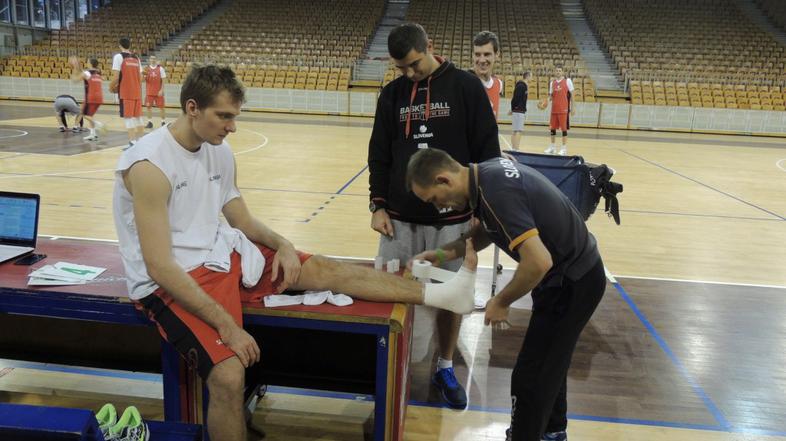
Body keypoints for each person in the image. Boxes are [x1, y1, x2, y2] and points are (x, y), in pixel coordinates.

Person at [113, 65, 479, 441]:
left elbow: (240, 218)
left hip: (219, 255)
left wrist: (284, 245)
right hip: (171, 280)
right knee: (228, 374)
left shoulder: (218, 152)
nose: (232, 127)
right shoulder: (149, 166)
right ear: (192, 108)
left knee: (319, 267)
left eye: (235, 117)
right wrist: (227, 324)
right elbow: (159, 266)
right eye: (224, 116)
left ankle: (440, 294)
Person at [405, 148, 606, 441]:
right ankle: (552, 432)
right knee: (550, 365)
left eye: (434, 199)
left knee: (529, 378)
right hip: (571, 276)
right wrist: (440, 253)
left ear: (443, 179)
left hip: (572, 282)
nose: (439, 208)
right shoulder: (486, 176)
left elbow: (538, 261)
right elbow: (489, 229)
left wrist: (501, 301)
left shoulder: (496, 191)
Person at [367, 22, 500, 409]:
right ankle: (390, 366)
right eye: (401, 68)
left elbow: (487, 152)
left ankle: (444, 367)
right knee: (389, 292)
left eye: (413, 64)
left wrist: (481, 210)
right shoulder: (392, 95)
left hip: (452, 221)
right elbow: (379, 152)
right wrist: (377, 205)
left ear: (430, 46)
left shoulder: (465, 86)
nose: (409, 74)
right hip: (398, 219)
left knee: (449, 296)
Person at [109, 37, 144, 149]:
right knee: (138, 117)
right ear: (129, 45)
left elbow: (116, 77)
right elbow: (141, 77)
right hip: (137, 91)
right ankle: (141, 142)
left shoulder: (118, 57)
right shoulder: (136, 57)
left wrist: (111, 87)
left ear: (120, 45)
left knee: (128, 117)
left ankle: (133, 143)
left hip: (126, 91)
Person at [69, 56, 105, 142]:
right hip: (100, 97)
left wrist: (74, 68)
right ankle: (93, 134)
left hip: (91, 97)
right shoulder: (98, 73)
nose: (87, 62)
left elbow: (74, 80)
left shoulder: (87, 73)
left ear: (90, 63)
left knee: (83, 114)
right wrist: (78, 68)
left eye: (88, 61)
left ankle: (99, 124)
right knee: (90, 115)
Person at [471, 31, 503, 121]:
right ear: (472, 55)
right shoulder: (463, 84)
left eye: (487, 54)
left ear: (497, 55)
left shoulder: (498, 84)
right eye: (477, 54)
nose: (482, 60)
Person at [544, 65, 575, 156]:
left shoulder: (567, 81)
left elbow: (573, 95)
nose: (558, 72)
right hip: (554, 109)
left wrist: (573, 107)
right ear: (554, 72)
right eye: (556, 70)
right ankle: (552, 147)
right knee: (552, 129)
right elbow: (550, 96)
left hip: (564, 109)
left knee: (564, 130)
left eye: (560, 70)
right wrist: (545, 102)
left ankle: (564, 148)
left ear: (562, 72)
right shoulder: (552, 83)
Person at [143, 55, 167, 128]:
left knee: (162, 107)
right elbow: (143, 80)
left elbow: (163, 80)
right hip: (149, 92)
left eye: (154, 58)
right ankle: (150, 122)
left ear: (156, 60)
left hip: (158, 92)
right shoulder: (146, 69)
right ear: (149, 60)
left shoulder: (160, 69)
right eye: (151, 58)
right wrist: (143, 74)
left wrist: (162, 90)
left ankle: (163, 122)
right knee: (148, 107)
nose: (152, 60)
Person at [509, 71, 531, 150]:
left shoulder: (523, 85)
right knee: (518, 130)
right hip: (519, 110)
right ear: (527, 76)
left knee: (515, 130)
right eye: (531, 76)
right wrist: (512, 108)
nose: (531, 78)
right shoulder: (521, 86)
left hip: (518, 110)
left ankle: (513, 148)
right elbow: (515, 98)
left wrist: (513, 109)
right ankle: (516, 149)